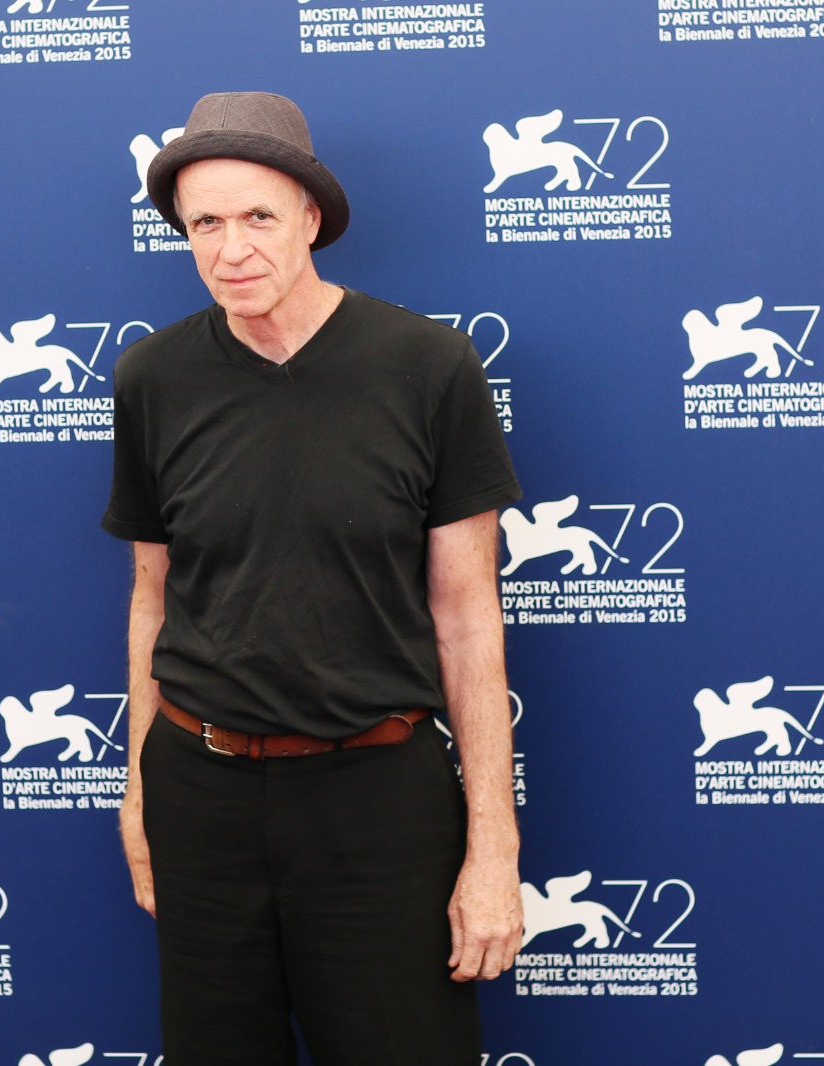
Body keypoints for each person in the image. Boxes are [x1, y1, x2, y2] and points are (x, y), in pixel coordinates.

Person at [101, 91, 524, 1065]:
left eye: (257, 216)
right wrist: (137, 794)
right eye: (205, 223)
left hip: (376, 800)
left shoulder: (428, 367)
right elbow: (152, 598)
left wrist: (493, 847)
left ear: (310, 217)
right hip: (199, 794)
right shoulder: (152, 378)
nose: (231, 248)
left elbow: (468, 619)